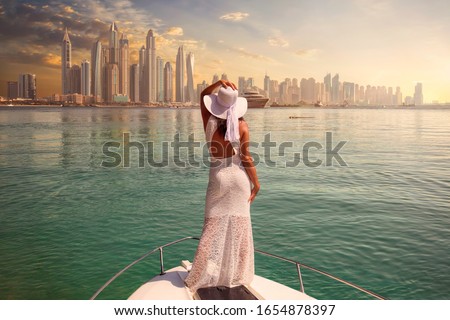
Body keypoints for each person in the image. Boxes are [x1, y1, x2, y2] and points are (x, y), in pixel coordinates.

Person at [184, 80, 260, 293]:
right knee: (241, 227)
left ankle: (196, 276)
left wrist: (218, 83)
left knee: (211, 227)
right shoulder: (242, 126)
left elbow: (202, 95)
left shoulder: (209, 121)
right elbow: (246, 157)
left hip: (218, 177)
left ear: (216, 105)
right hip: (239, 180)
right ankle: (238, 276)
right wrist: (256, 184)